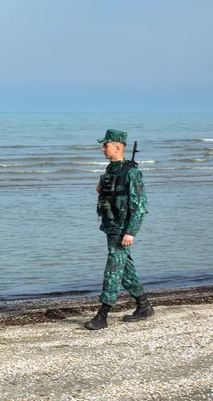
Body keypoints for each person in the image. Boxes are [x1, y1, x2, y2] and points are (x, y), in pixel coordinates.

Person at [85, 129, 154, 330]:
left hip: (123, 228)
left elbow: (139, 206)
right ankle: (144, 305)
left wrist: (131, 231)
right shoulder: (111, 169)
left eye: (105, 145)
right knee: (124, 267)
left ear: (117, 147)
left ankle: (103, 314)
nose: (102, 149)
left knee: (113, 267)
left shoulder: (132, 172)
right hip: (111, 225)